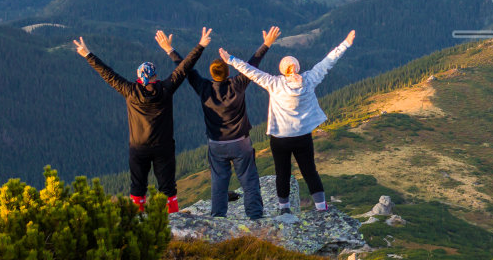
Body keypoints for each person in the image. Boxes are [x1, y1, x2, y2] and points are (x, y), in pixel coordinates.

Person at [219, 29, 356, 216]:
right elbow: (328, 62)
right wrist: (346, 43)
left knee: (282, 172)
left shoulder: (274, 83)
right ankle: (321, 206)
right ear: (297, 68)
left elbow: (251, 72)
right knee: (309, 171)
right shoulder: (309, 80)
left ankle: (284, 209)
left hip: (280, 138)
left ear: (282, 71)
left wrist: (231, 59)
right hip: (302, 137)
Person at [75, 29, 207, 213]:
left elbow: (108, 74)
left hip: (138, 148)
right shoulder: (166, 88)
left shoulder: (130, 91)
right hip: (164, 147)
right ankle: (173, 222)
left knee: (138, 189)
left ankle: (138, 222)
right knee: (168, 189)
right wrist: (199, 46)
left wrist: (88, 54)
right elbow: (184, 68)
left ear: (139, 78)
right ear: (154, 76)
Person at [159, 26, 280, 220]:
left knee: (219, 183)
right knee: (249, 181)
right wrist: (266, 44)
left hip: (216, 144)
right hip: (240, 142)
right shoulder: (237, 84)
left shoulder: (203, 87)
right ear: (228, 72)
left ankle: (218, 218)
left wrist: (169, 49)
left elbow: (186, 70)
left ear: (212, 73)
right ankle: (256, 217)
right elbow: (251, 65)